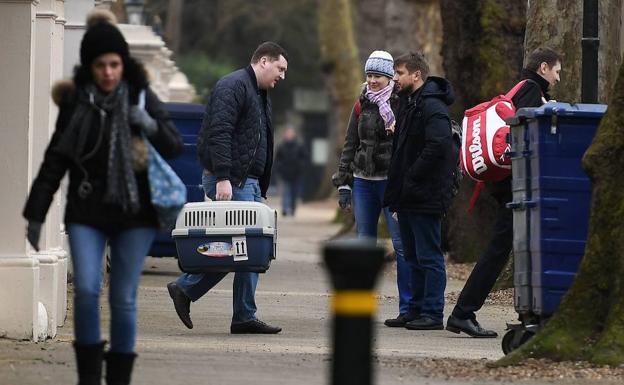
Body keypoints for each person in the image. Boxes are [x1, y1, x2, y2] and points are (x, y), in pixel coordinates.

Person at [22, 10, 183, 385]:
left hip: (135, 213)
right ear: (89, 66)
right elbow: (56, 158)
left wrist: (148, 124)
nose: (108, 73)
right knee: (88, 289)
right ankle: (90, 378)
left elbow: (174, 146)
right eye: (100, 65)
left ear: (123, 63)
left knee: (124, 299)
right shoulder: (77, 102)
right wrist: (36, 212)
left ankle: (119, 379)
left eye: (114, 64)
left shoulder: (142, 98)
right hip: (87, 211)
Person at [166, 42, 288, 334]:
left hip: (250, 182)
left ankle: (243, 314)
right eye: (280, 69)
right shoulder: (232, 86)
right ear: (263, 61)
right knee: (239, 249)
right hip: (233, 180)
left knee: (252, 251)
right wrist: (223, 178)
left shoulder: (260, 94)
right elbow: (219, 132)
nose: (282, 76)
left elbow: (259, 141)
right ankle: (188, 289)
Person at [446, 47, 562, 338]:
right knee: (499, 250)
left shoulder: (522, 88)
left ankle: (526, 311)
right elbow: (526, 139)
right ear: (544, 67)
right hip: (514, 185)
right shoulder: (532, 90)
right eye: (557, 71)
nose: (559, 78)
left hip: (503, 182)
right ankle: (463, 312)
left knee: (513, 247)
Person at [332, 50, 411, 326]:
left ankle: (407, 307)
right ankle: (360, 304)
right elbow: (350, 144)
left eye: (377, 76)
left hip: (390, 184)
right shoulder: (361, 103)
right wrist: (344, 183)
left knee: (401, 246)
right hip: (363, 182)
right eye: (369, 75)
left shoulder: (402, 104)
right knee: (364, 244)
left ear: (389, 77)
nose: (373, 81)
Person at [383, 52, 457, 330]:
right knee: (412, 255)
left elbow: (438, 146)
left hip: (426, 193)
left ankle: (432, 312)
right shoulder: (408, 103)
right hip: (409, 194)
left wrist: (413, 176)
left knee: (428, 255)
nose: (395, 79)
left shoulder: (432, 106)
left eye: (399, 73)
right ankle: (414, 310)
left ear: (417, 75)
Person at [274, 127, 308, 216]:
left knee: (294, 193)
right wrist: (280, 168)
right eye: (287, 134)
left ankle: (292, 209)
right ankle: (285, 209)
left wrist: (300, 167)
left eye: (290, 133)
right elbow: (277, 159)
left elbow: (304, 158)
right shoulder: (281, 146)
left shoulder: (299, 146)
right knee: (285, 192)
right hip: (285, 173)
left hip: (296, 173)